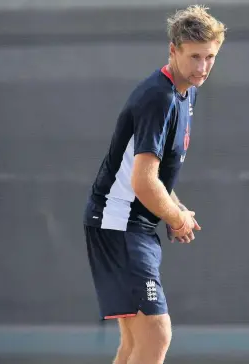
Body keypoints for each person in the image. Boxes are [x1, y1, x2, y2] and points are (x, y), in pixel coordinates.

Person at [82, 5, 226, 364]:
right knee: (156, 333)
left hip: (131, 224)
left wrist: (174, 208)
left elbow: (157, 178)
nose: (203, 67)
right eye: (194, 57)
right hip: (119, 223)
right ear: (173, 50)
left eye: (210, 57)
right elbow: (143, 181)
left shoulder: (185, 92)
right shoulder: (158, 98)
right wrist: (175, 220)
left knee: (134, 344)